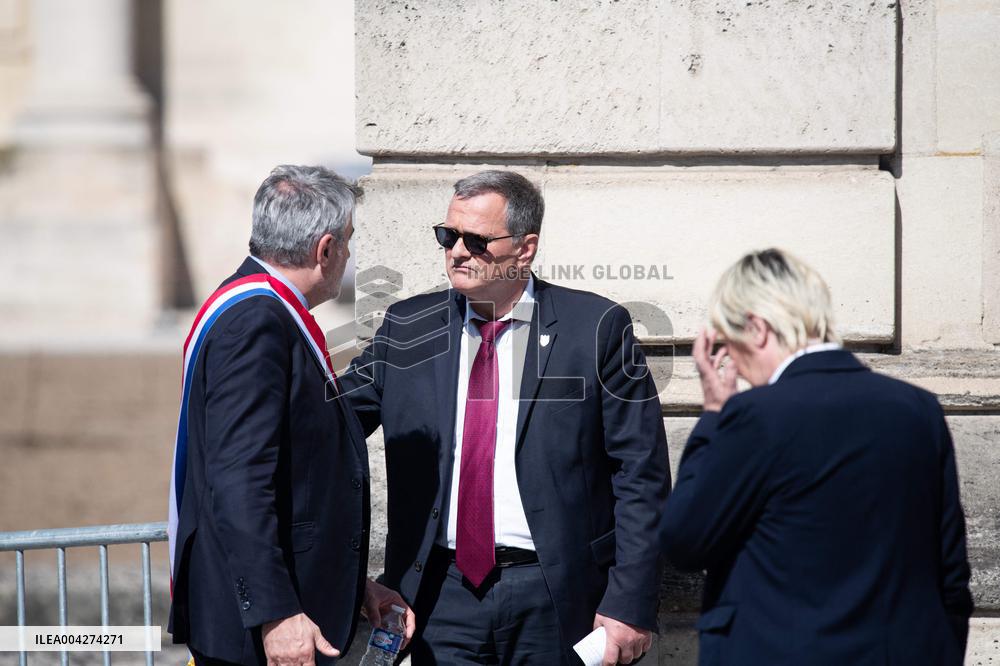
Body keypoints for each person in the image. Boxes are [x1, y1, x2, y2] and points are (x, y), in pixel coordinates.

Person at [339, 169, 670, 665]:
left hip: (555, 596)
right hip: (435, 597)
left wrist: (631, 602)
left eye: (476, 240)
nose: (457, 252)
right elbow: (326, 432)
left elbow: (641, 474)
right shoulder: (407, 327)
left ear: (525, 247)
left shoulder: (596, 328)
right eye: (448, 236)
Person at [660, 248, 973, 665]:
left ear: (756, 328)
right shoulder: (919, 410)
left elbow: (684, 540)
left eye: (726, 340)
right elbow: (951, 575)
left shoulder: (758, 415)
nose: (728, 355)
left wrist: (715, 414)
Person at [167, 165, 414, 666]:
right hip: (262, 631)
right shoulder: (257, 322)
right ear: (325, 249)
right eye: (347, 241)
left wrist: (352, 584)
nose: (348, 254)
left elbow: (297, 457)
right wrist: (276, 613)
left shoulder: (255, 304)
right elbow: (239, 481)